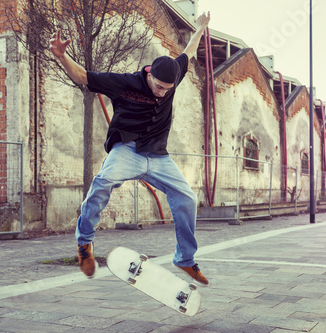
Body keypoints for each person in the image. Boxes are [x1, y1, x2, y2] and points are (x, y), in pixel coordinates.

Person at [49, 12, 211, 285]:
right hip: (127, 150)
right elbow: (83, 76)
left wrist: (201, 27)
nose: (162, 93)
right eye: (159, 87)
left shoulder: (173, 76)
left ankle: (185, 259)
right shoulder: (124, 83)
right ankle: (84, 243)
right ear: (149, 76)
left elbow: (190, 51)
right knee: (102, 183)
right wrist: (61, 56)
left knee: (188, 199)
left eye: (168, 90)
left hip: (158, 155)